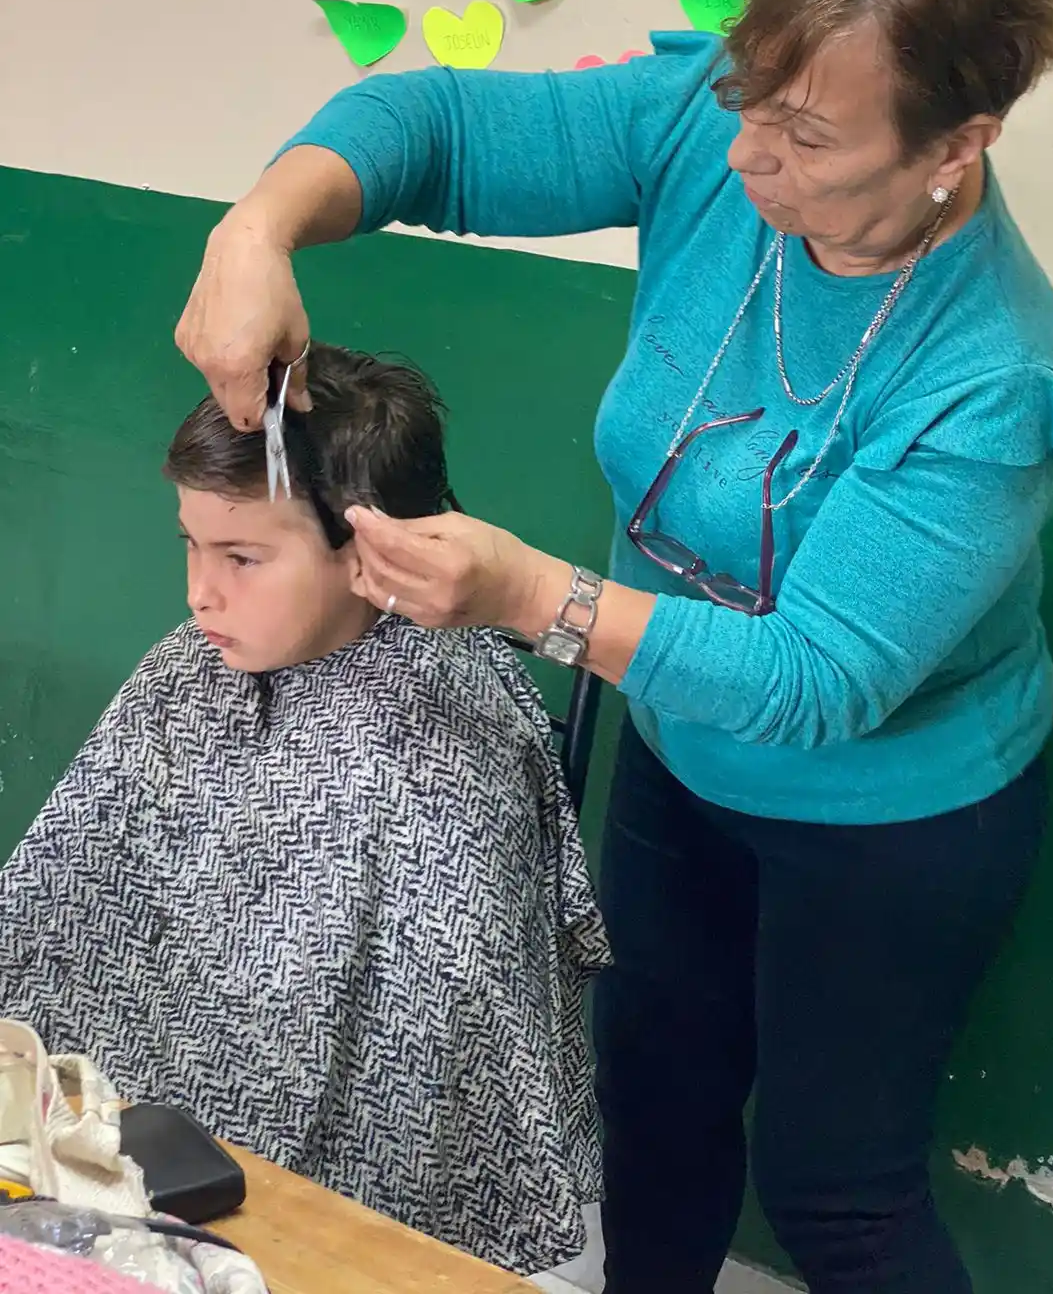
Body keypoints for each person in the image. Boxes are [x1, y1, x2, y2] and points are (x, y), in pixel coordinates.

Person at [174, 0, 1053, 1293]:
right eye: (749, 97)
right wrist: (261, 224)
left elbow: (818, 680)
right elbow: (437, 126)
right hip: (682, 760)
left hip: (894, 823)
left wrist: (530, 599)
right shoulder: (710, 124)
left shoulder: (988, 377)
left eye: (804, 138)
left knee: (833, 1189)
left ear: (952, 148)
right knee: (651, 1112)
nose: (743, 160)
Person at [0, 345, 608, 1278]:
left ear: (379, 553)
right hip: (139, 1110)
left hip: (366, 1187)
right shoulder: (188, 668)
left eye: (242, 556)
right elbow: (54, 895)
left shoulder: (449, 729)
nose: (201, 590)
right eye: (190, 545)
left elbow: (447, 1029)